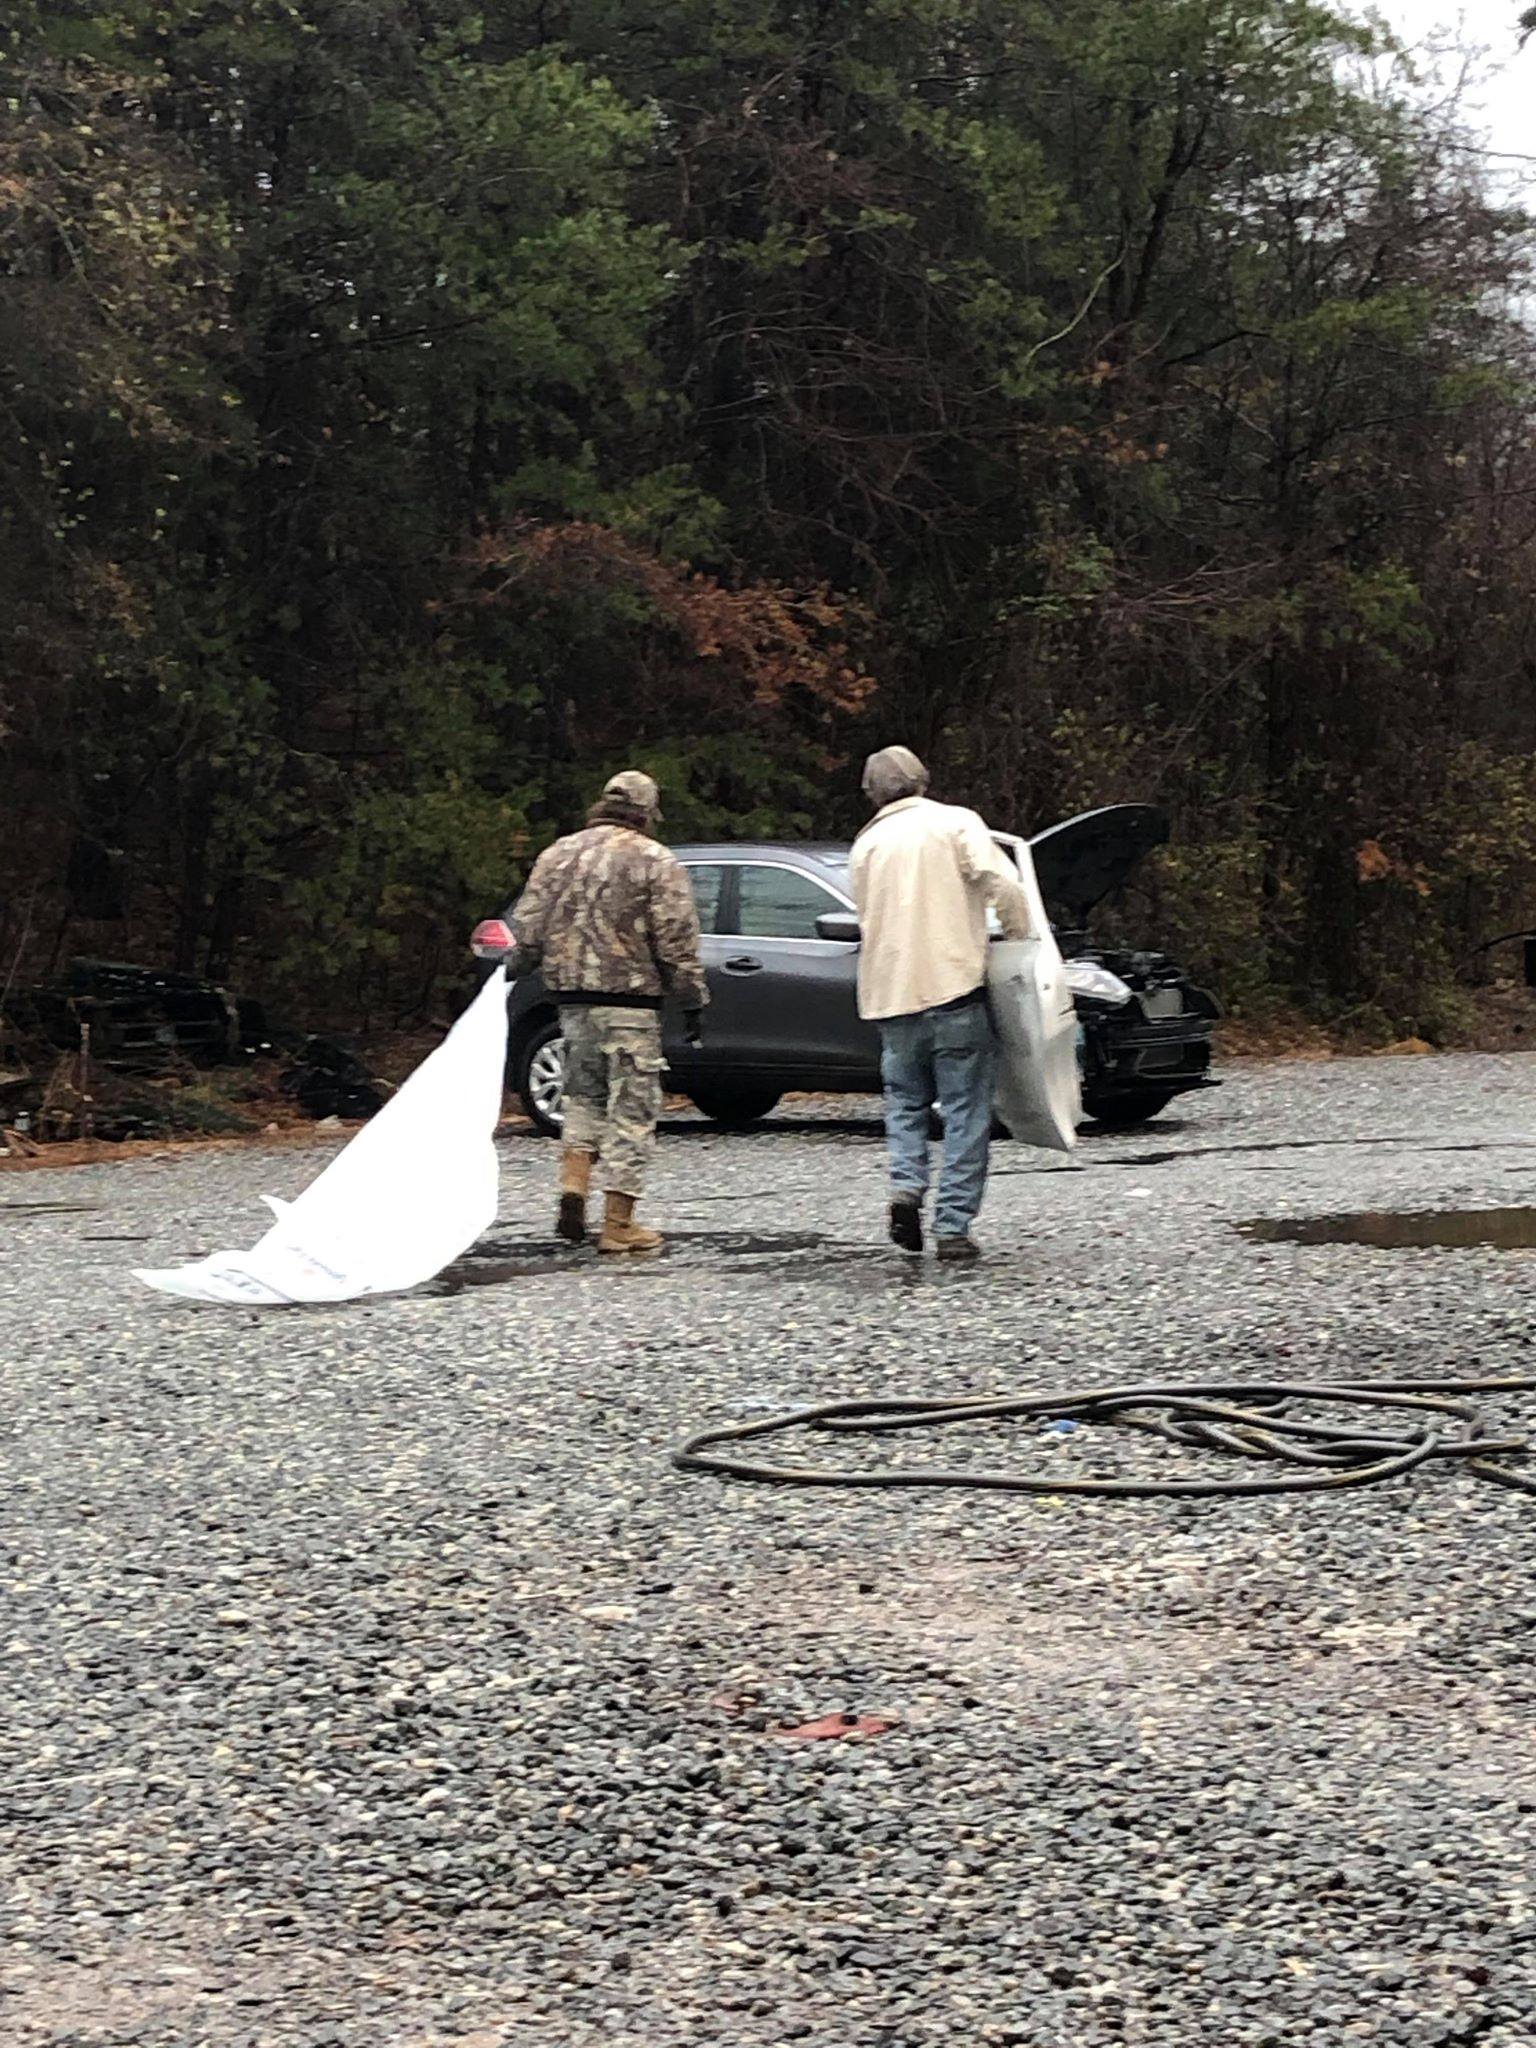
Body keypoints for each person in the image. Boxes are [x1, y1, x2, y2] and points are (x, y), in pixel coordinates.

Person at [507, 770, 707, 1254]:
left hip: (571, 1004)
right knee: (632, 1111)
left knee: (583, 1097)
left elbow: (527, 930)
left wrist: (512, 971)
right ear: (646, 813)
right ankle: (618, 1224)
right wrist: (691, 997)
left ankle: (574, 1187)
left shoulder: (557, 854)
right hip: (631, 1005)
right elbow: (675, 938)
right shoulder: (656, 861)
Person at [848, 746, 1032, 1262]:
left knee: (904, 1104)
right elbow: (1004, 884)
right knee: (965, 1111)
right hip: (954, 990)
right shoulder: (956, 822)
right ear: (922, 780)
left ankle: (906, 1187)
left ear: (872, 794)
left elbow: (866, 916)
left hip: (890, 997)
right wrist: (1019, 937)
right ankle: (952, 1227)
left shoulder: (866, 844)